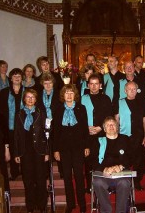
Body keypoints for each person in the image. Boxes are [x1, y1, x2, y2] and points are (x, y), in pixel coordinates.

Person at [53, 85, 89, 213]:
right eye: (67, 93)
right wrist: (55, 150)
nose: (69, 95)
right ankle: (71, 204)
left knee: (79, 176)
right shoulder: (58, 109)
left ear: (75, 95)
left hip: (78, 147)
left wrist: (86, 146)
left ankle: (82, 204)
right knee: (67, 177)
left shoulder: (81, 108)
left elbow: (85, 128)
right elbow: (55, 131)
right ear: (63, 95)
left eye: (71, 93)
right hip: (64, 148)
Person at [14, 89, 48, 213]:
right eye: (28, 97)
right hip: (25, 151)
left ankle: (42, 206)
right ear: (24, 99)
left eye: (32, 97)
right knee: (28, 181)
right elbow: (17, 134)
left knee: (40, 180)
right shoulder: (19, 114)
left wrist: (47, 152)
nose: (30, 99)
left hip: (39, 151)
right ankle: (30, 207)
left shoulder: (41, 113)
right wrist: (17, 153)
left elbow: (47, 134)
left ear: (36, 99)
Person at [91, 116, 132, 213]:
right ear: (104, 129)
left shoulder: (125, 139)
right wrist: (103, 169)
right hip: (104, 174)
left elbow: (131, 157)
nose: (111, 126)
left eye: (113, 124)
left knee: (125, 183)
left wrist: (121, 166)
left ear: (117, 127)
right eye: (108, 125)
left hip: (120, 173)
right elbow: (92, 160)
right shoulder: (98, 141)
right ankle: (106, 210)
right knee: (97, 182)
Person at [81, 73, 112, 193]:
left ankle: (105, 186)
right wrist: (86, 128)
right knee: (88, 162)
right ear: (88, 85)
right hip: (87, 135)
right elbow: (80, 117)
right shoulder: (83, 98)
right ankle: (90, 186)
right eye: (91, 84)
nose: (94, 87)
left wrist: (100, 127)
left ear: (100, 85)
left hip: (102, 134)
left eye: (96, 84)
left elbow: (108, 116)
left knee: (103, 160)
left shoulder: (106, 99)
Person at [115, 81, 145, 190]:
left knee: (139, 161)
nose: (132, 91)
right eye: (130, 89)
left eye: (134, 89)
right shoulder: (119, 102)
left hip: (138, 136)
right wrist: (116, 135)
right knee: (124, 160)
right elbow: (116, 120)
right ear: (125, 91)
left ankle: (137, 182)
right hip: (124, 136)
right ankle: (125, 183)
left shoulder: (141, 103)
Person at [0, 68, 24, 180]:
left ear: (22, 78)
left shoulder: (27, 91)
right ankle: (14, 172)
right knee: (13, 148)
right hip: (10, 126)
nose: (17, 78)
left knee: (24, 148)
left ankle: (25, 171)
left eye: (19, 76)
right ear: (11, 78)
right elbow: (1, 112)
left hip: (25, 126)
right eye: (14, 76)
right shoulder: (4, 93)